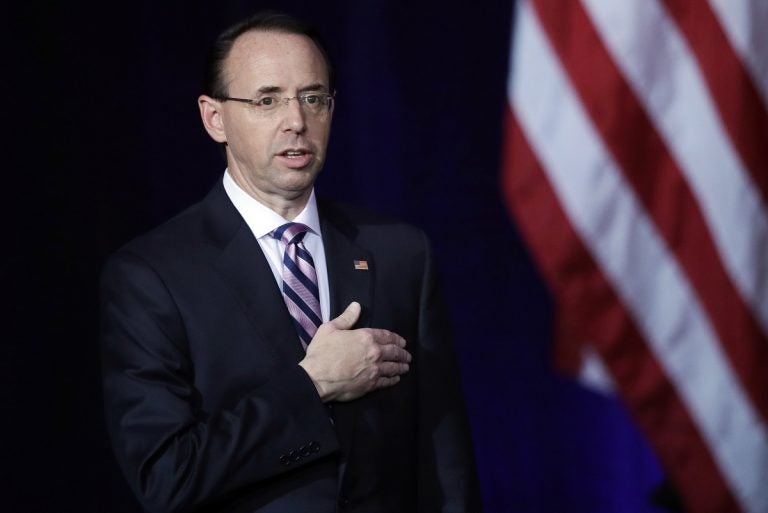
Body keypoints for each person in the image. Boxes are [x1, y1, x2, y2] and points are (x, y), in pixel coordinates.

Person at [100, 10, 481, 513]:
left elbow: (443, 460)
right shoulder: (151, 276)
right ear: (214, 118)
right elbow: (168, 476)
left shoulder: (400, 253)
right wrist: (314, 383)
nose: (296, 121)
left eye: (313, 98)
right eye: (267, 100)